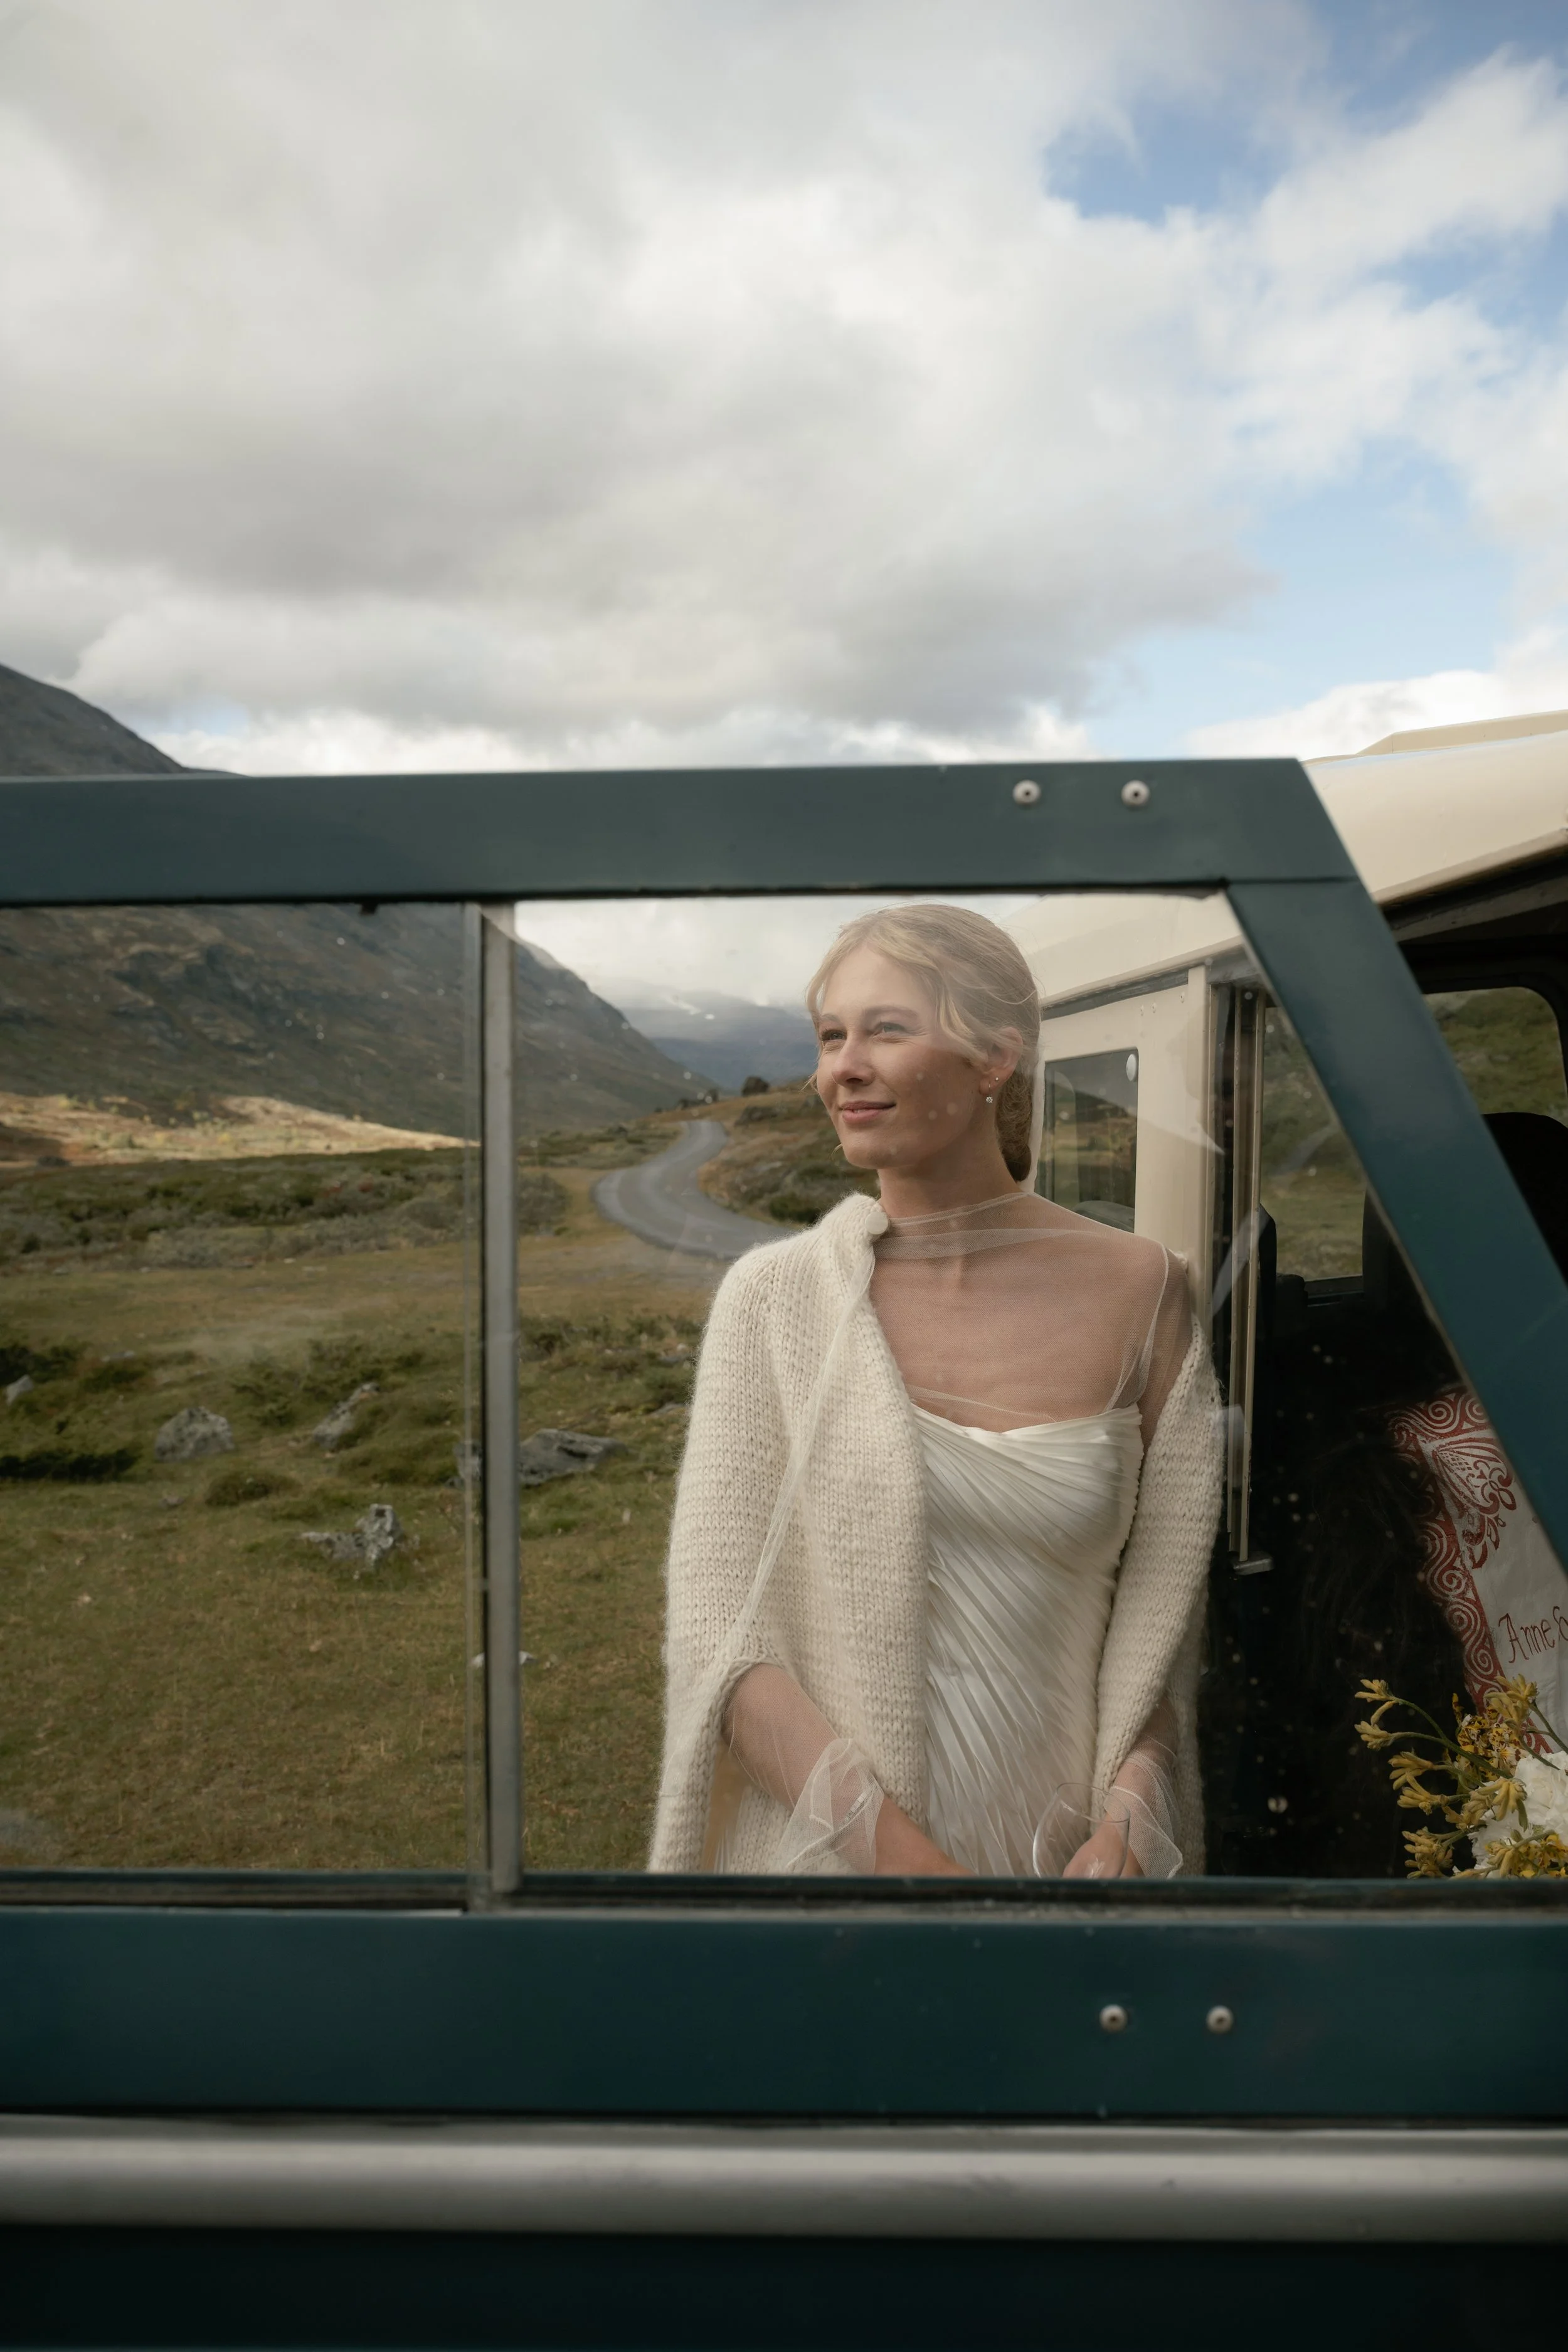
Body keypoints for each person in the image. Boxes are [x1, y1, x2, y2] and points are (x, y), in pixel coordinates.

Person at [649, 904, 1223, 1878]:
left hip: (1068, 1874)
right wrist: (920, 1879)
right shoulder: (775, 1303)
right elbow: (721, 1643)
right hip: (838, 1881)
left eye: (887, 1028)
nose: (844, 1066)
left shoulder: (1149, 1289)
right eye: (832, 1036)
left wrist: (1131, 1818)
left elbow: (1160, 1630)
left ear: (995, 1057)